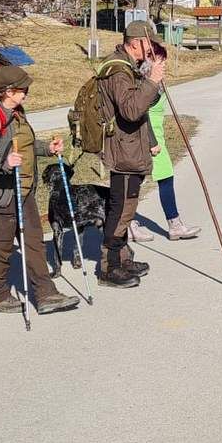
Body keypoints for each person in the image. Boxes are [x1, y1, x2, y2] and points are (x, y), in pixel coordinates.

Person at [0, 66, 81, 315]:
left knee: (34, 243)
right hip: (0, 194)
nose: (27, 93)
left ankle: (46, 294)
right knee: (2, 246)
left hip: (24, 190)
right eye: (23, 89)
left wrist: (47, 149)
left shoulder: (17, 112)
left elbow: (25, 144)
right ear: (8, 91)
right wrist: (5, 164)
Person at [96, 20, 166, 287]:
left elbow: (141, 104)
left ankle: (123, 258)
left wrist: (152, 83)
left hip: (132, 147)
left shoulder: (129, 67)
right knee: (121, 209)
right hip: (123, 150)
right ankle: (109, 267)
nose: (152, 47)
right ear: (136, 42)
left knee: (127, 207)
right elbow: (130, 110)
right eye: (149, 43)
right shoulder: (118, 71)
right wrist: (151, 81)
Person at [129, 45, 201, 244]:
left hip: (156, 138)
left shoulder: (156, 83)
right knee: (136, 181)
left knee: (161, 177)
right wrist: (152, 142)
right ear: (150, 62)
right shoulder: (146, 84)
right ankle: (130, 223)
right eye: (161, 60)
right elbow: (142, 114)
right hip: (146, 139)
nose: (165, 64)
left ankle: (173, 224)